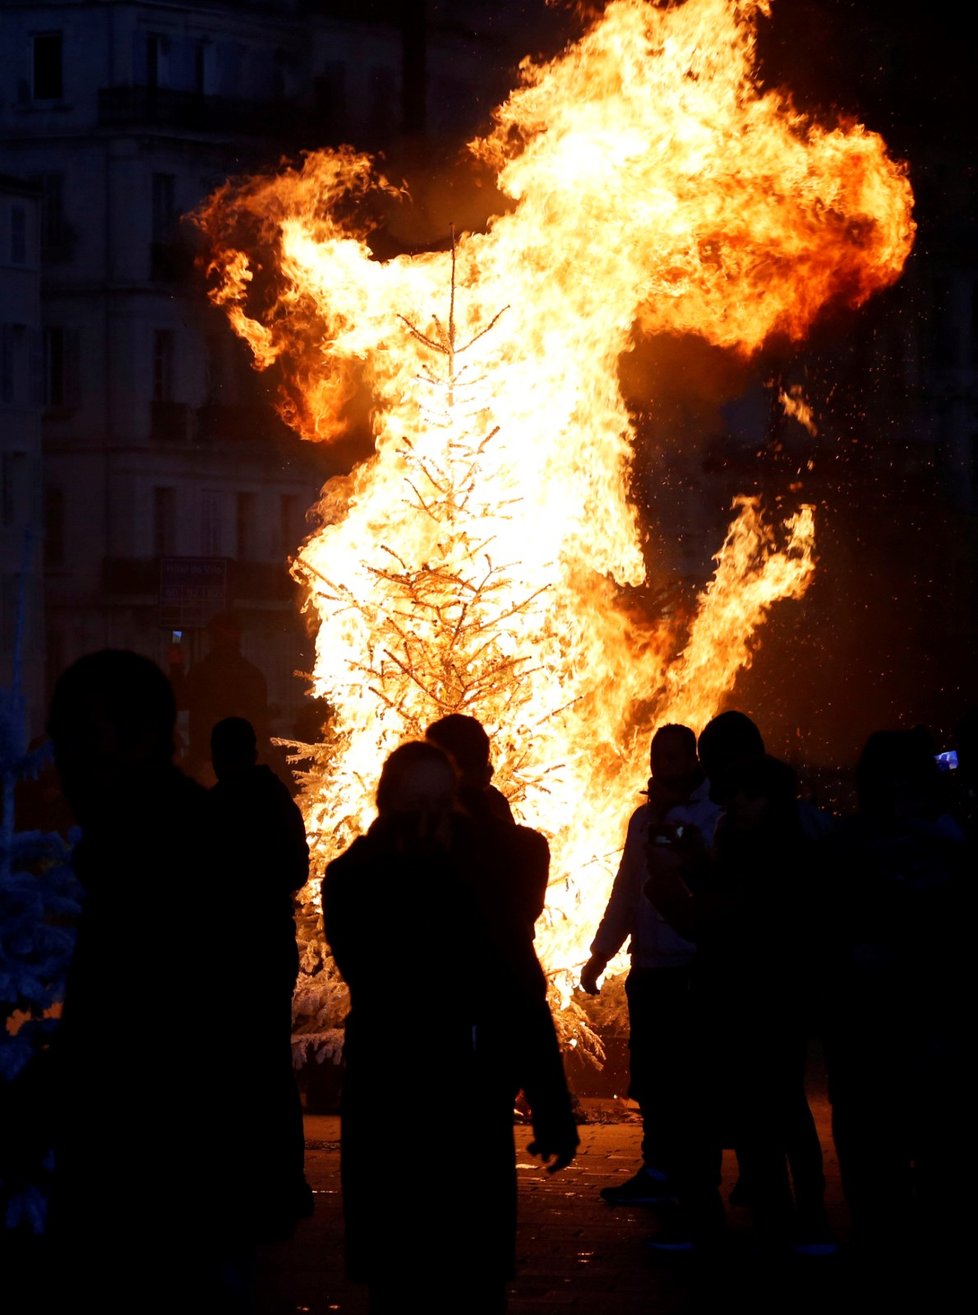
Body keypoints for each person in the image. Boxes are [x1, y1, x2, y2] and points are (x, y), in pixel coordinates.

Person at [322, 739, 578, 1315]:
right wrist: (423, 871)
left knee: (475, 1281)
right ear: (389, 806)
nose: (433, 816)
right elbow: (382, 975)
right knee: (399, 1282)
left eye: (444, 801)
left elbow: (519, 991)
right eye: (417, 803)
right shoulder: (356, 879)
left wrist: (550, 1102)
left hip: (469, 1108)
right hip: (392, 1108)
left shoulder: (481, 878)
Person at [43, 650, 260, 1312]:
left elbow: (148, 1030)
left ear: (143, 736)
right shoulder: (131, 838)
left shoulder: (167, 846)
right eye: (64, 737)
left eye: (88, 736)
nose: (70, 757)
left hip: (159, 1190)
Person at [645, 752, 832, 1255]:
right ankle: (794, 1224)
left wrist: (662, 881)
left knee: (749, 1119)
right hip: (754, 1000)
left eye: (751, 795)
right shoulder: (753, 844)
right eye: (733, 795)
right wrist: (697, 864)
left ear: (774, 801)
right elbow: (724, 900)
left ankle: (758, 1226)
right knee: (774, 1116)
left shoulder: (775, 857)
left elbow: (712, 919)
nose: (737, 804)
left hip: (754, 1004)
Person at [815, 726, 967, 1267]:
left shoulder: (952, 846)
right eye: (890, 783)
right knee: (874, 1167)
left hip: (925, 1032)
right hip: (869, 1034)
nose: (900, 794)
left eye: (909, 782)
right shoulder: (850, 847)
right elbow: (826, 933)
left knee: (931, 1162)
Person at [579, 723, 722, 1205]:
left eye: (674, 757)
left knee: (690, 1082)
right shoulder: (641, 820)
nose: (664, 766)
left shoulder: (713, 813)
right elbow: (626, 889)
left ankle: (696, 1184)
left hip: (692, 966)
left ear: (694, 760)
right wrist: (600, 953)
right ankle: (658, 1170)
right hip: (649, 967)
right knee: (652, 1078)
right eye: (658, 757)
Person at [208, 715, 313, 1237]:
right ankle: (287, 1180)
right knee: (271, 1065)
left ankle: (238, 1178)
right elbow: (298, 870)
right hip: (271, 945)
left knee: (229, 1066)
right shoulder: (280, 806)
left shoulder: (215, 809)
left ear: (220, 756)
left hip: (229, 952)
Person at [176, 609, 277, 788]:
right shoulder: (252, 674)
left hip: (207, 762)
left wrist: (175, 668)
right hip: (244, 767)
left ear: (213, 639)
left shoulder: (202, 673)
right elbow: (260, 721)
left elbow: (179, 701)